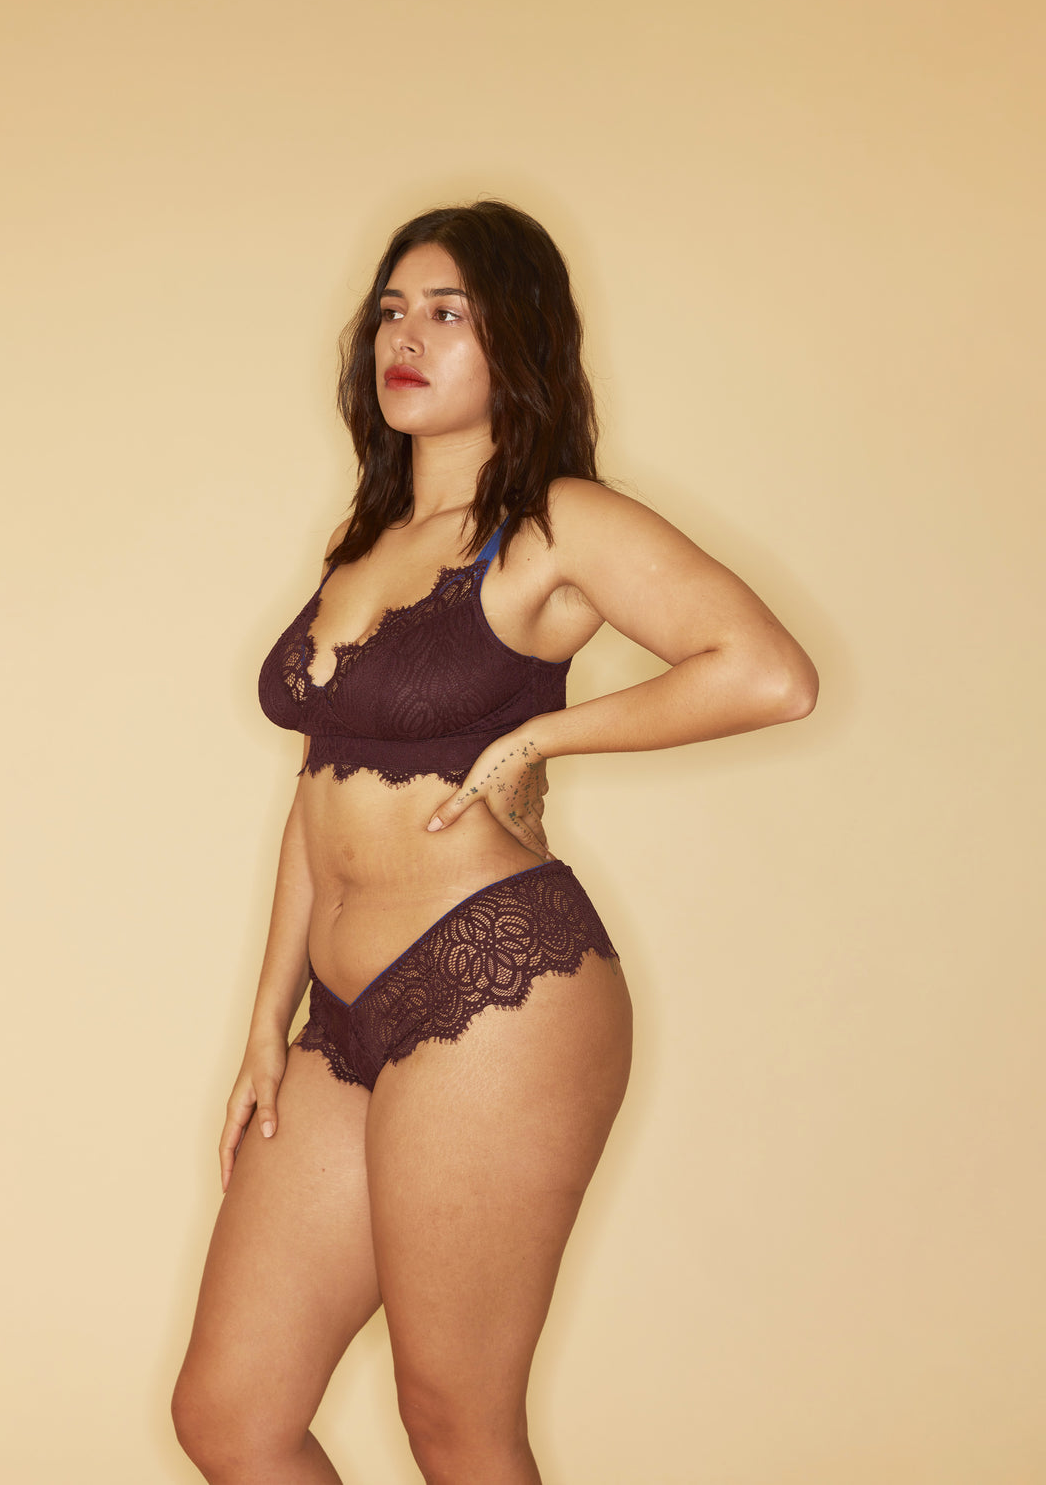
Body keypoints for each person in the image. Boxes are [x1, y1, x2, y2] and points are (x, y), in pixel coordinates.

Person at [172, 199, 818, 1485]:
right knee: (231, 1417)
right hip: (339, 1019)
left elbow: (768, 674)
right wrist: (265, 1024)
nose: (404, 338)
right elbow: (320, 789)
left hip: (498, 988)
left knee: (455, 1423)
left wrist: (540, 740)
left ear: (515, 339)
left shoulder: (556, 523)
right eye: (391, 313)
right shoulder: (365, 543)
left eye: (447, 313)